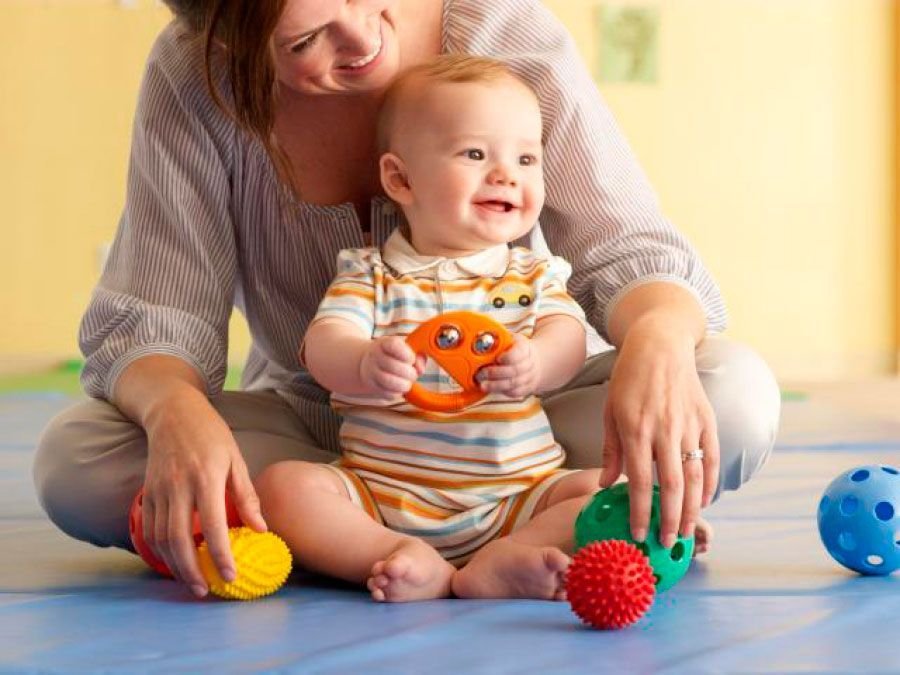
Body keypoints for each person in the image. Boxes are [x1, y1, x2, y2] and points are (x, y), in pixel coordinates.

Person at [33, 0, 781, 600]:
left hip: (521, 429)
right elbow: (158, 313)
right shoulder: (195, 78)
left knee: (733, 396)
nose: (362, 38)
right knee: (77, 463)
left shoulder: (500, 28)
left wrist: (655, 342)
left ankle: (425, 537)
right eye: (306, 41)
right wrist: (177, 413)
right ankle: (408, 531)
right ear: (225, 44)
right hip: (322, 433)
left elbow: (627, 248)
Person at [256, 55, 599, 602]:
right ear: (401, 178)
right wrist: (365, 362)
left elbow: (568, 337)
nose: (507, 173)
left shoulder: (530, 274)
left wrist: (537, 361)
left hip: (520, 496)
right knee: (283, 488)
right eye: (475, 153)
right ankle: (391, 555)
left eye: (527, 158)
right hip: (381, 496)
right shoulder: (372, 274)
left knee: (612, 492)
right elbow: (324, 345)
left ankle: (503, 558)